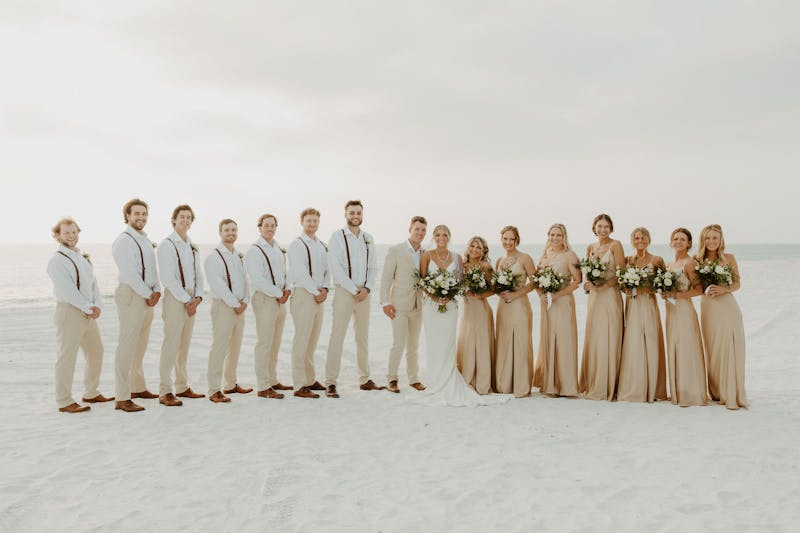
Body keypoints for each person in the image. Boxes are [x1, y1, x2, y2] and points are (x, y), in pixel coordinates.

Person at [410, 225, 509, 406]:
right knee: (433, 343)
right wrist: (435, 296)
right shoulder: (426, 255)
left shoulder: (456, 259)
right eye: (438, 234)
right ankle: (434, 380)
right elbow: (423, 280)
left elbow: (461, 283)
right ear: (433, 237)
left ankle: (456, 379)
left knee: (448, 343)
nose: (441, 237)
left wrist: (449, 296)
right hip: (432, 307)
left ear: (449, 237)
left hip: (451, 307)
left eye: (445, 235)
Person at [47, 218, 113, 413]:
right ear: (58, 235)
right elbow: (67, 290)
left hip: (87, 312)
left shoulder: (82, 258)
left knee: (96, 351)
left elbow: (93, 284)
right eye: (66, 233)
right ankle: (64, 400)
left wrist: (97, 305)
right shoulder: (56, 261)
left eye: (74, 232)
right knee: (67, 356)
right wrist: (87, 307)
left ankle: (91, 392)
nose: (71, 236)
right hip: (69, 312)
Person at [324, 200, 383, 398]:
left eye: (358, 212)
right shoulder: (337, 237)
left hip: (364, 294)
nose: (355, 215)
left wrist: (367, 288)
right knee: (337, 336)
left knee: (362, 337)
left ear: (362, 214)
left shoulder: (368, 238)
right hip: (344, 292)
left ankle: (364, 379)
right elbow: (335, 267)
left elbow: (373, 266)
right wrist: (353, 289)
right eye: (352, 212)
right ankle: (331, 382)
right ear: (346, 214)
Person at [112, 198, 161, 413]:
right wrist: (147, 293)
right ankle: (122, 397)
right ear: (128, 216)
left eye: (144, 214)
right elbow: (130, 273)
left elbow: (151, 268)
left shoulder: (144, 240)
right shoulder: (123, 240)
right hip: (132, 295)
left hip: (147, 296)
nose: (141, 217)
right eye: (136, 214)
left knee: (140, 345)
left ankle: (138, 387)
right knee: (127, 346)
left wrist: (157, 289)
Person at [157, 204, 205, 406]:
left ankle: (182, 386)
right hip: (176, 299)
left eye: (188, 217)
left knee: (184, 346)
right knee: (171, 344)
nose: (185, 220)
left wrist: (198, 298)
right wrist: (187, 301)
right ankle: (164, 391)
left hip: (191, 300)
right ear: (174, 220)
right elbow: (168, 278)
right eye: (182, 217)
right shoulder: (167, 245)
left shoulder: (192, 246)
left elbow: (198, 275)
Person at [697, 224, 747, 410]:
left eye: (715, 238)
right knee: (713, 348)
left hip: (727, 306)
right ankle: (716, 391)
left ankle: (730, 391)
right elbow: (692, 285)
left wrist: (724, 289)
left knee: (729, 346)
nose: (711, 241)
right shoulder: (697, 260)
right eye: (708, 238)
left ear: (721, 240)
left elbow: (737, 283)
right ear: (703, 240)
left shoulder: (729, 258)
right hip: (708, 307)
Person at [616, 227, 668, 403]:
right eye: (636, 238)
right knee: (633, 343)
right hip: (632, 306)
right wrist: (628, 288)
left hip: (648, 304)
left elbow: (662, 286)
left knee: (650, 341)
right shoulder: (627, 260)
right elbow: (620, 285)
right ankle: (633, 387)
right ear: (632, 241)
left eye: (643, 237)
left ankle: (652, 388)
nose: (640, 240)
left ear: (649, 239)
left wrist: (642, 287)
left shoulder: (657, 260)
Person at [245, 213, 292, 399]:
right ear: (259, 227)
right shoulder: (255, 250)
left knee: (275, 342)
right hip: (264, 300)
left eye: (273, 225)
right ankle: (263, 385)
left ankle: (272, 379)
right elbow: (258, 280)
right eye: (266, 225)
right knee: (264, 343)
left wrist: (287, 289)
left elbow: (283, 273)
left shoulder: (277, 248)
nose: (270, 228)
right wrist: (280, 294)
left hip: (279, 300)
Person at [205, 219, 251, 403]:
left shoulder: (238, 255)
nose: (230, 232)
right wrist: (235, 303)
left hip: (240, 307)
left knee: (235, 347)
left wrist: (245, 301)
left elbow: (245, 280)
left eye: (233, 229)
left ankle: (231, 384)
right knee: (219, 347)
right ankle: (214, 389)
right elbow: (218, 285)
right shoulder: (213, 257)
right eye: (227, 230)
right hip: (224, 306)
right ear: (220, 232)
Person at [380, 216, 428, 393]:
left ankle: (414, 379)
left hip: (418, 305)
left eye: (423, 230)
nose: (420, 233)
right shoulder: (396, 250)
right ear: (410, 229)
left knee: (413, 345)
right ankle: (392, 379)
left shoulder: (426, 253)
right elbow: (386, 277)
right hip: (398, 305)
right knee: (398, 343)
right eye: (417, 229)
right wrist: (385, 302)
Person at [532, 224, 581, 398]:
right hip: (547, 305)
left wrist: (557, 295)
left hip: (562, 302)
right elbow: (536, 280)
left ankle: (566, 386)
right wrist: (541, 295)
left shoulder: (570, 256)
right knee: (549, 339)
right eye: (552, 234)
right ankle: (550, 386)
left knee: (563, 340)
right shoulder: (545, 256)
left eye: (558, 235)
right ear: (548, 236)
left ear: (564, 237)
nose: (555, 238)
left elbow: (577, 281)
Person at [579, 213, 625, 401]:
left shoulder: (616, 245)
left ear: (611, 228)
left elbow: (621, 272)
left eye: (606, 226)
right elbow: (587, 273)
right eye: (599, 226)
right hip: (595, 299)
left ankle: (608, 384)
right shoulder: (590, 247)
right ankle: (594, 381)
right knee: (596, 337)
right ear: (594, 228)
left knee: (610, 335)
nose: (603, 229)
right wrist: (588, 284)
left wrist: (604, 285)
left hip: (609, 296)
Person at [288, 208, 331, 398]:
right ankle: (299, 385)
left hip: (318, 296)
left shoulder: (321, 245)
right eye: (309, 221)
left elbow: (327, 270)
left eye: (315, 221)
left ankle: (310, 379)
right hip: (304, 295)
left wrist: (326, 289)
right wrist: (316, 291)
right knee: (301, 340)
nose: (312, 224)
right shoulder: (296, 245)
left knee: (312, 341)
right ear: (302, 222)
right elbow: (300, 272)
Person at [663, 228, 708, 407]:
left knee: (686, 347)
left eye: (683, 239)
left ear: (689, 243)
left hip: (683, 310)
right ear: (671, 242)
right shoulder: (669, 264)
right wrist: (665, 294)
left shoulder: (690, 263)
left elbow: (699, 289)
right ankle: (678, 391)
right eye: (676, 239)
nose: (679, 242)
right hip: (671, 311)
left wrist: (677, 296)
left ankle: (691, 393)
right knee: (675, 346)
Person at [494, 226, 536, 398]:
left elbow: (534, 282)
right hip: (503, 306)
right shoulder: (499, 260)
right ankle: (504, 384)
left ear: (517, 240)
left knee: (520, 341)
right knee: (504, 341)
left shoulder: (525, 258)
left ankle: (521, 384)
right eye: (505, 238)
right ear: (501, 239)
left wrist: (516, 294)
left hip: (519, 305)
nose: (508, 242)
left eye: (511, 239)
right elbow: (496, 285)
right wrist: (500, 292)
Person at [456, 236, 495, 394]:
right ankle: (467, 379)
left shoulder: (486, 266)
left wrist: (480, 295)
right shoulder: (462, 266)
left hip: (480, 309)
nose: (474, 249)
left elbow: (494, 288)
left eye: (479, 247)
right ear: (468, 247)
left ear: (484, 250)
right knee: (467, 341)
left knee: (480, 343)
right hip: (466, 309)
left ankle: (482, 383)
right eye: (472, 246)